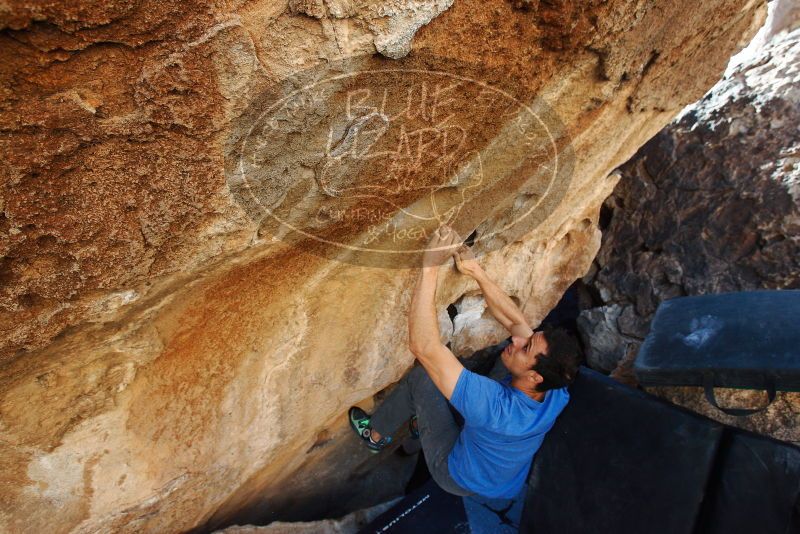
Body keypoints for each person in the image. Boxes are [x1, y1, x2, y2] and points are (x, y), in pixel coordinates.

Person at [349, 226, 581, 499]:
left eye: (525, 348)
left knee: (424, 378)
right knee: (494, 367)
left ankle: (376, 435)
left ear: (535, 378)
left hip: (460, 476)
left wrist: (430, 266)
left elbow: (424, 347)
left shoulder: (495, 407)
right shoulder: (556, 389)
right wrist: (476, 272)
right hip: (502, 479)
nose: (516, 341)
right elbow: (516, 322)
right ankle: (417, 430)